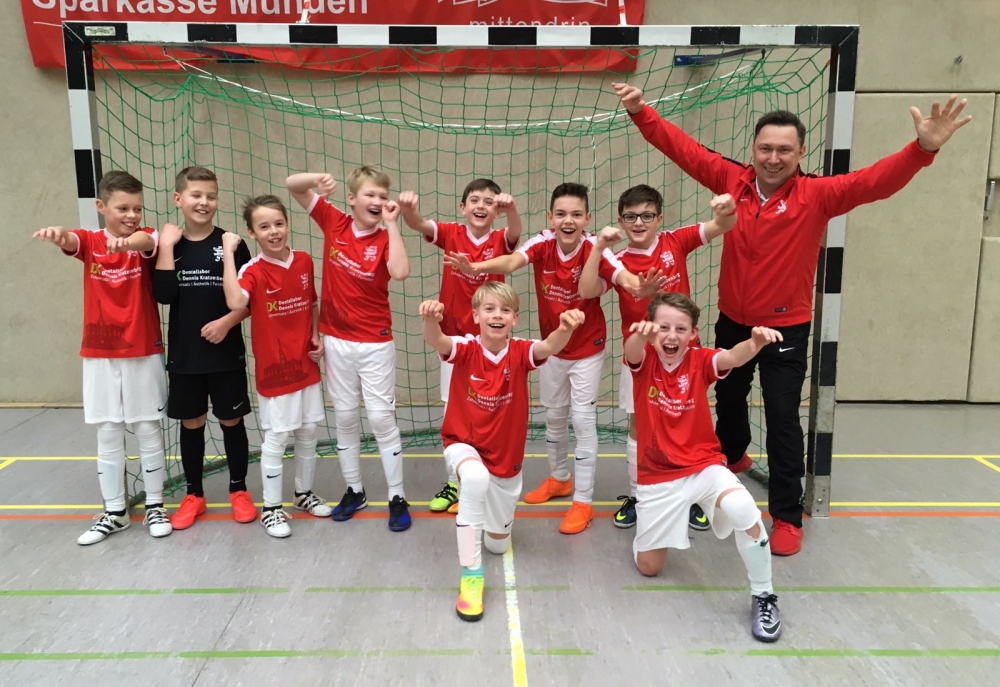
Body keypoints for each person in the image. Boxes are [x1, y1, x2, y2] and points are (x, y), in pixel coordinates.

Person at [614, 82, 972, 555]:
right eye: (765, 148)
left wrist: (922, 149)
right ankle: (731, 457)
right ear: (753, 150)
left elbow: (874, 182)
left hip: (786, 328)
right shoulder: (731, 181)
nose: (773, 157)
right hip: (733, 322)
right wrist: (640, 111)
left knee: (783, 418)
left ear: (801, 153)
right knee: (728, 399)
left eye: (784, 149)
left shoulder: (818, 194)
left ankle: (785, 513)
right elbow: (682, 149)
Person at [445, 182, 663, 535]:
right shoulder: (543, 242)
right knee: (554, 417)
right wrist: (475, 267)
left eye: (576, 214)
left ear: (587, 218)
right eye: (561, 214)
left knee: (582, 421)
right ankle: (560, 478)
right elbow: (512, 261)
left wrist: (641, 287)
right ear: (550, 217)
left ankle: (583, 501)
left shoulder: (595, 248)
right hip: (552, 346)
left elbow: (625, 278)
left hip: (587, 349)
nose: (568, 220)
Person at [420, 282, 584, 620]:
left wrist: (565, 328)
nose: (497, 315)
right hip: (463, 444)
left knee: (497, 544)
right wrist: (430, 320)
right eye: (490, 309)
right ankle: (471, 577)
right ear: (476, 315)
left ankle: (482, 519)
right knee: (474, 479)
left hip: (505, 461)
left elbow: (550, 345)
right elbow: (438, 340)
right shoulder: (466, 348)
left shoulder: (521, 351)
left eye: (505, 310)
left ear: (515, 319)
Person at [625, 291, 783, 642]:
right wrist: (639, 335)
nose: (672, 335)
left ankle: (764, 595)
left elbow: (732, 357)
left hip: (702, 466)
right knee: (649, 567)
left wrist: (754, 344)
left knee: (742, 508)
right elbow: (631, 352)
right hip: (658, 475)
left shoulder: (700, 360)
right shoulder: (645, 360)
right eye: (663, 327)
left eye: (681, 329)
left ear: (693, 334)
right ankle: (649, 532)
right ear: (652, 330)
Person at [579, 185, 738, 531]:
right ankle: (640, 496)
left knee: (688, 426)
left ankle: (690, 495)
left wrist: (726, 210)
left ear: (659, 218)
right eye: (631, 216)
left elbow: (723, 225)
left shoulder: (675, 241)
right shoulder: (618, 260)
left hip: (684, 359)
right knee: (640, 427)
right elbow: (587, 289)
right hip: (640, 360)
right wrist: (598, 247)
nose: (639, 222)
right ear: (621, 220)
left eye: (647, 215)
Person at [33, 170, 171, 544]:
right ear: (101, 206)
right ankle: (115, 512)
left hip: (142, 348)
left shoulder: (146, 237)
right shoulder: (91, 241)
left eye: (137, 208)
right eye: (123, 208)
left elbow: (147, 240)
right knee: (108, 431)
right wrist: (58, 234)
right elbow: (71, 239)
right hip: (99, 352)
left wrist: (126, 243)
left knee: (147, 429)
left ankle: (155, 505)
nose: (132, 215)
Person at [286, 167, 413, 531]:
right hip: (336, 340)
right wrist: (316, 179)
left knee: (380, 418)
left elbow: (400, 272)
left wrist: (393, 224)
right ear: (353, 199)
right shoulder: (335, 221)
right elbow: (292, 186)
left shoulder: (386, 236)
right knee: (343, 417)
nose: (377, 201)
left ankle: (397, 496)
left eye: (383, 196)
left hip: (375, 342)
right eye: (370, 195)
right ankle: (354, 490)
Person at [398, 179, 523, 514]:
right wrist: (409, 209)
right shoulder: (451, 233)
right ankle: (455, 481)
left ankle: (487, 476)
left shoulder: (500, 239)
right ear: (463, 207)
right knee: (453, 410)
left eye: (489, 202)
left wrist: (512, 209)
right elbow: (418, 224)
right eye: (474, 200)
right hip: (455, 340)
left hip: (491, 342)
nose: (481, 206)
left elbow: (515, 231)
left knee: (490, 410)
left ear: (496, 211)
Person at [221, 195, 332, 538]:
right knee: (278, 436)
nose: (273, 231)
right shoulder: (252, 270)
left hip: (305, 365)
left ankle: (302, 493)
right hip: (275, 370)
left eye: (279, 223)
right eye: (264, 226)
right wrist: (228, 253)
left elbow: (311, 304)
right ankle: (271, 508)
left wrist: (315, 337)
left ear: (288, 224)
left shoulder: (304, 261)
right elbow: (235, 302)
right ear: (252, 232)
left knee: (309, 432)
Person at [153, 166, 256, 531]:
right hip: (186, 354)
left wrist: (226, 322)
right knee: (192, 422)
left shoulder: (231, 244)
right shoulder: (169, 245)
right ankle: (194, 495)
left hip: (225, 354)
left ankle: (239, 490)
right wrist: (167, 245)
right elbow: (164, 295)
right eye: (196, 195)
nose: (204, 202)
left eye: (210, 196)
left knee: (231, 420)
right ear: (178, 199)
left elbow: (250, 300)